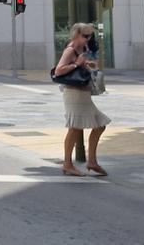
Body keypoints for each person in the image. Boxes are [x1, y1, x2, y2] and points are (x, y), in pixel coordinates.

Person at [55, 23, 110, 177]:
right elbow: (59, 70)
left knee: (99, 125)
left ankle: (91, 161)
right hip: (73, 93)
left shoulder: (81, 50)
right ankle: (67, 164)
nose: (88, 38)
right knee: (75, 127)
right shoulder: (70, 49)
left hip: (82, 93)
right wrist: (76, 64)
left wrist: (86, 65)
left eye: (90, 35)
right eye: (85, 35)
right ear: (76, 35)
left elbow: (79, 66)